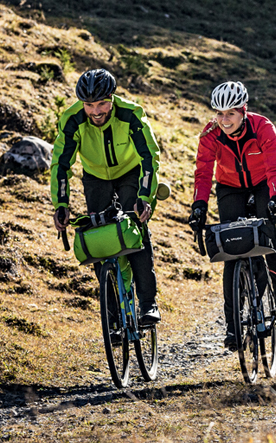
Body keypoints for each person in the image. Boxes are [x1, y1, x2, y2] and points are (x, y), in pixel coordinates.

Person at [51, 68, 161, 326]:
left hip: (130, 173)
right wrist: (61, 204)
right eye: (89, 105)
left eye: (102, 103)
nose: (96, 111)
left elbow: (149, 158)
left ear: (112, 97)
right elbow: (61, 165)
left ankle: (148, 303)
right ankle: (112, 317)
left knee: (135, 230)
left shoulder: (131, 114)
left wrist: (145, 196)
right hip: (95, 177)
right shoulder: (72, 120)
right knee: (99, 238)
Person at [190, 81, 276, 350]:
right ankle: (233, 326)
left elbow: (275, 168)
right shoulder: (210, 134)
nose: (224, 120)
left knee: (271, 236)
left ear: (243, 111)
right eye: (219, 114)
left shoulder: (263, 128)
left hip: (262, 184)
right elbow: (203, 172)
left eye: (230, 114)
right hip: (230, 188)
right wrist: (198, 206)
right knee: (231, 252)